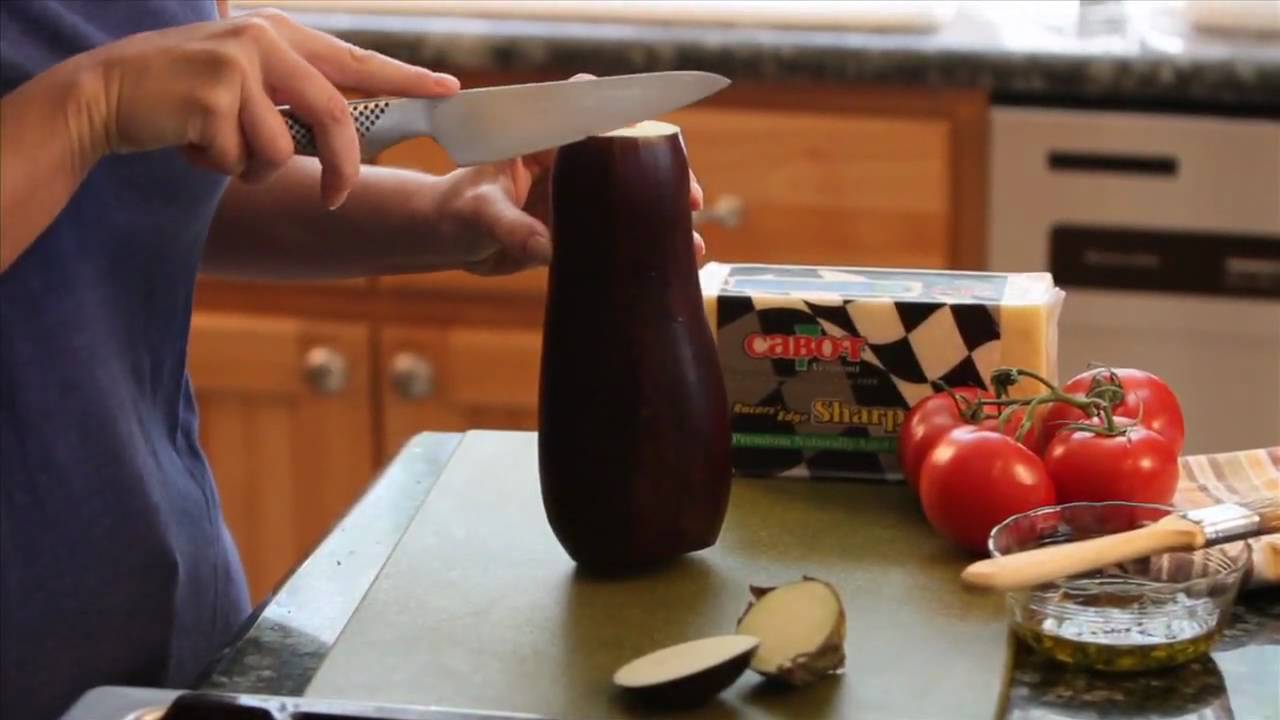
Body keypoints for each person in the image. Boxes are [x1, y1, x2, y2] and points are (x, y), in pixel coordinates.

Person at [0, 2, 706, 718]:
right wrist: (89, 107)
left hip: (172, 609)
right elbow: (96, 120)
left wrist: (444, 214)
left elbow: (151, 187)